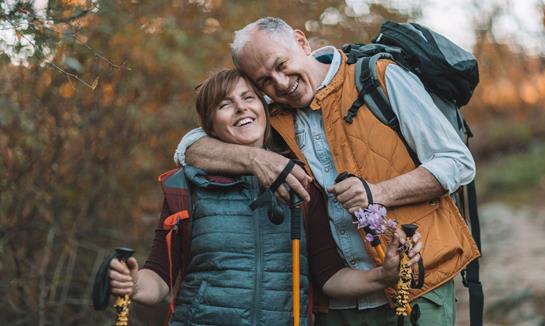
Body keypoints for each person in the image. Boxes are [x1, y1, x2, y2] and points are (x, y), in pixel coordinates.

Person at [174, 17, 480, 325]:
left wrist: (377, 192)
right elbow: (189, 147)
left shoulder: (379, 78)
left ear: (302, 42)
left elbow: (456, 161)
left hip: (414, 282)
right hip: (335, 303)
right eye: (264, 81)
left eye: (281, 64)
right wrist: (257, 160)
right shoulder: (272, 114)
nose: (280, 83)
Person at [109, 69, 422, 325]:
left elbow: (330, 277)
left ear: (264, 109)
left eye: (249, 98)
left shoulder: (304, 184)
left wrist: (384, 275)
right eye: (224, 104)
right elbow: (159, 278)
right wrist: (133, 283)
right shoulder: (184, 188)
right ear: (210, 125)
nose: (242, 107)